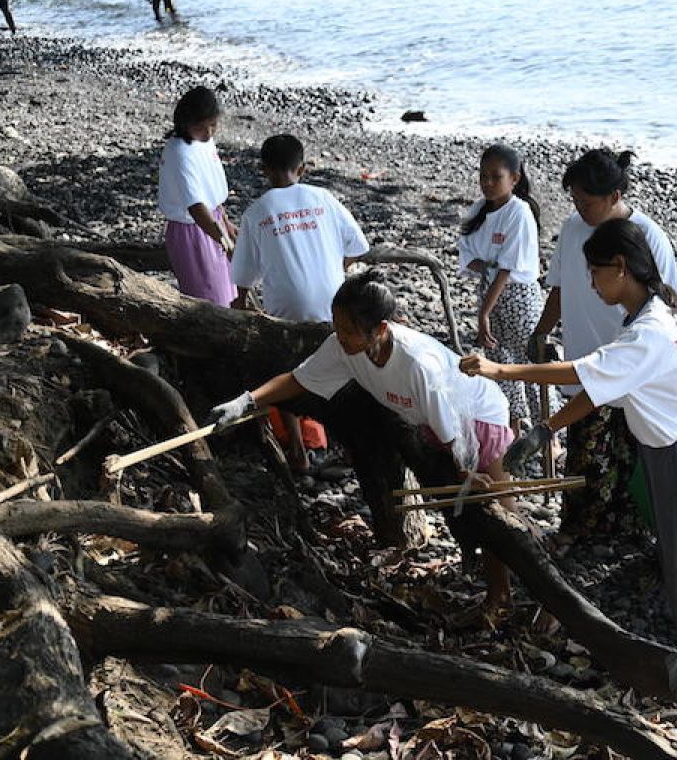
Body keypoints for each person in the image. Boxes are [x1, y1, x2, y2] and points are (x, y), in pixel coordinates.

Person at [460, 218, 677, 701]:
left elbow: (577, 371)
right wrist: (547, 430)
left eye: (594, 272)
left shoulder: (648, 332)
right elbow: (599, 387)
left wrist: (500, 369)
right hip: (675, 451)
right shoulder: (651, 313)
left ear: (620, 268)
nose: (589, 282)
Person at [209, 272, 519, 611]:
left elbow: (447, 420)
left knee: (495, 508)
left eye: (349, 331)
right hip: (436, 426)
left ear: (381, 330)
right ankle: (499, 591)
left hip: (476, 418)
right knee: (479, 507)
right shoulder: (343, 348)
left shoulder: (415, 363)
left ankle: (507, 592)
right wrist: (246, 401)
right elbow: (298, 380)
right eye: (337, 326)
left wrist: (465, 471)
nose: (339, 337)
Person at [530, 148, 677, 538]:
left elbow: (671, 304)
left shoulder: (647, 236)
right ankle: (581, 533)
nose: (580, 209)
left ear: (615, 196)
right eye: (575, 201)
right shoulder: (572, 228)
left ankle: (633, 534)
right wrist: (541, 331)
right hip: (586, 366)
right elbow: (561, 288)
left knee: (632, 458)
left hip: (634, 372)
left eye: (587, 202)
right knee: (585, 460)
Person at [230, 133, 370, 470]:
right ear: (302, 168)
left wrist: (241, 305)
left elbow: (243, 278)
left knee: (285, 369)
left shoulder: (256, 213)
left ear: (263, 170)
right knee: (344, 369)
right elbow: (358, 247)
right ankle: (351, 447)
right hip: (333, 306)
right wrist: (335, 268)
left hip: (287, 308)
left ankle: (297, 449)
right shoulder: (323, 198)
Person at [457, 144, 547, 434]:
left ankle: (550, 431)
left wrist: (484, 312)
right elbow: (469, 255)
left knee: (531, 364)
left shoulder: (518, 213)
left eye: (495, 177)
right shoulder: (479, 211)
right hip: (491, 291)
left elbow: (507, 269)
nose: (487, 183)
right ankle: (512, 426)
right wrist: (489, 269)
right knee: (499, 361)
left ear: (515, 179)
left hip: (518, 297)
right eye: (483, 176)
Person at [157, 86, 237, 307]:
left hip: (213, 221)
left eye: (213, 125)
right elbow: (195, 206)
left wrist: (226, 223)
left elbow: (209, 192)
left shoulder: (203, 141)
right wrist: (224, 241)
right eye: (201, 127)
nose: (209, 132)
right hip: (192, 230)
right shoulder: (179, 152)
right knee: (208, 297)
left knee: (228, 290)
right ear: (185, 123)